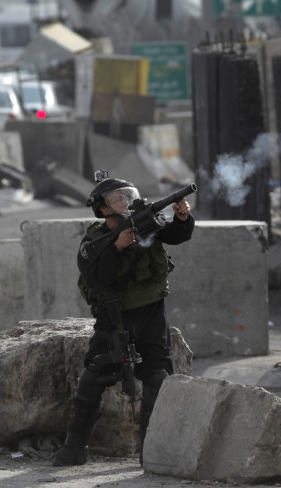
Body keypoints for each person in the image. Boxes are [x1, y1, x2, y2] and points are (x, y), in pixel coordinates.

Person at [53, 175, 194, 467]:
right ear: (104, 209)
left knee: (157, 376)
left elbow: (175, 236)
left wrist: (182, 218)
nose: (126, 202)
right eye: (118, 198)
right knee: (94, 372)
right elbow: (95, 278)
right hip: (114, 315)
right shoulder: (94, 240)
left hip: (151, 313)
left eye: (127, 195)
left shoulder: (146, 225)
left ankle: (151, 453)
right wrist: (116, 247)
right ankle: (74, 447)